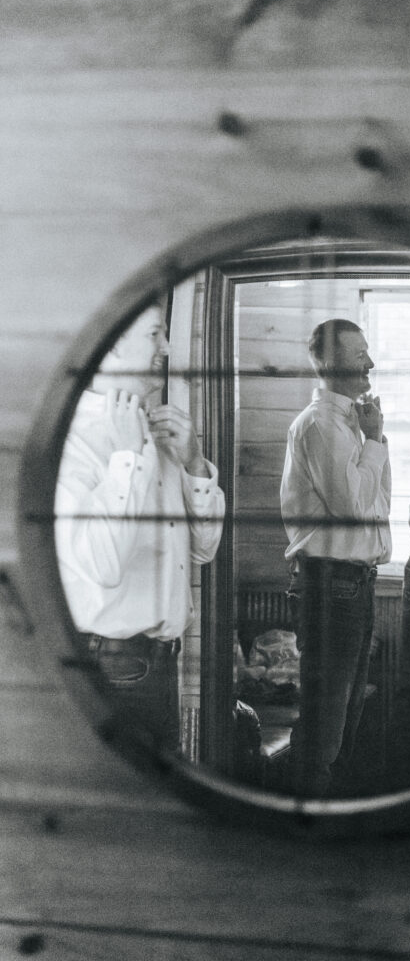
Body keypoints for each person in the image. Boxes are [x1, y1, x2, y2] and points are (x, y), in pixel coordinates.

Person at [54, 303, 225, 753]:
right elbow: (102, 566)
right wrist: (127, 462)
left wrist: (193, 464)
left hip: (163, 663)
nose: (166, 348)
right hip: (111, 669)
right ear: (110, 344)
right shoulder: (69, 444)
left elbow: (204, 551)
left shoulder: (159, 433)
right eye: (155, 334)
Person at [280, 318, 391, 796]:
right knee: (327, 720)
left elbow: (376, 506)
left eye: (367, 351)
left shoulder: (352, 423)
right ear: (327, 364)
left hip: (354, 583)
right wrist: (376, 442)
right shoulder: (321, 425)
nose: (370, 362)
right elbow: (353, 511)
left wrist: (375, 440)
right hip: (331, 585)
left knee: (346, 715)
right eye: (358, 353)